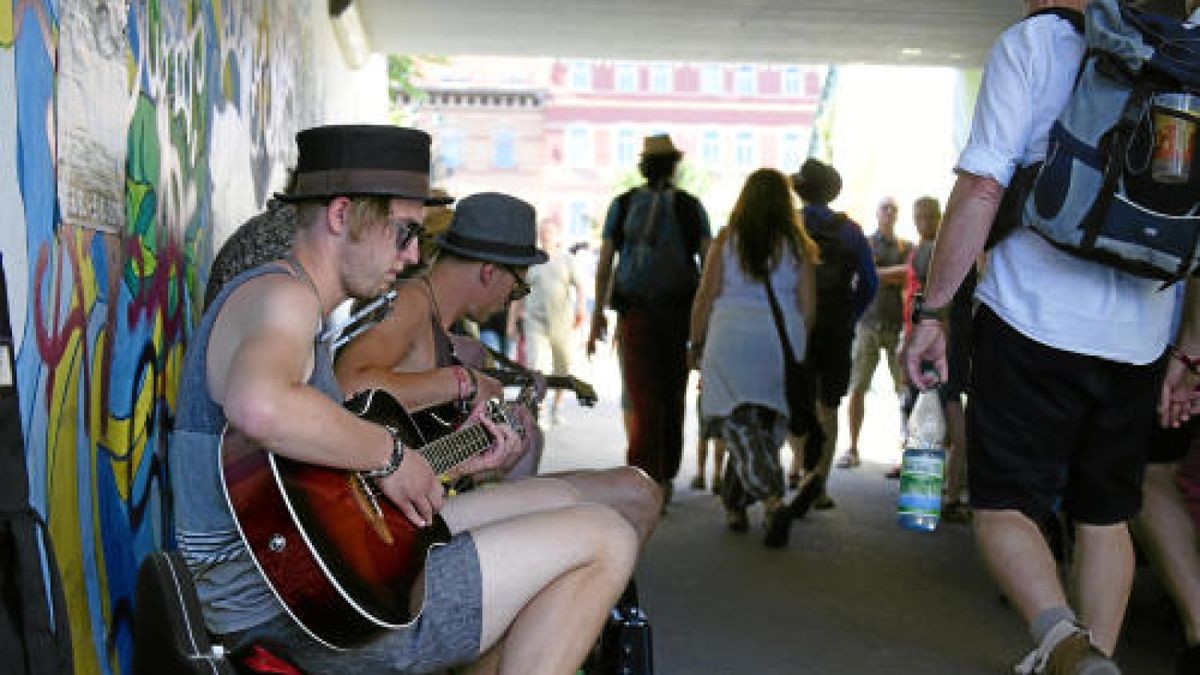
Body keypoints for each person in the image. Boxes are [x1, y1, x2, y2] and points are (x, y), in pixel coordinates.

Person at [171, 126, 639, 675]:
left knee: (567, 504)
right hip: (296, 614)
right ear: (342, 215)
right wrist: (391, 457)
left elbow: (305, 477)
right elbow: (261, 407)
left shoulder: (290, 302)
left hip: (307, 580)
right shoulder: (283, 296)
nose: (415, 255)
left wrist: (447, 461)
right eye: (403, 233)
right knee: (606, 537)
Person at [901, 2, 1200, 672]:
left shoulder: (1035, 43)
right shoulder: (1193, 55)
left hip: (1029, 316)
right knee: (1106, 514)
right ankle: (1095, 660)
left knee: (1004, 503)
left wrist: (932, 314)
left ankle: (1063, 638)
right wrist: (1191, 347)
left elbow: (982, 187)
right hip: (1140, 336)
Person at [334, 192, 662, 546]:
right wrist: (465, 381)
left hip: (424, 503)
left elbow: (422, 450)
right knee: (635, 494)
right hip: (399, 525)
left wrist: (479, 457)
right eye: (519, 285)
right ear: (490, 272)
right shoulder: (410, 304)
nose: (514, 298)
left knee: (636, 489)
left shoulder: (441, 325)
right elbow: (349, 385)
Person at [689, 168, 819, 549]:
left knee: (739, 426)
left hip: (729, 338)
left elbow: (705, 296)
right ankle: (735, 505)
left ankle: (773, 501)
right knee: (761, 428)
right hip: (781, 341)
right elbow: (808, 308)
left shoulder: (727, 240)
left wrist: (695, 342)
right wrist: (797, 346)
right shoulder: (799, 246)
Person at [587, 133, 712, 505]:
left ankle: (644, 474)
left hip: (635, 313)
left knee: (642, 395)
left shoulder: (623, 205)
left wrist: (597, 315)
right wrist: (705, 324)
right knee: (673, 395)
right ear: (674, 167)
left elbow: (605, 264)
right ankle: (666, 474)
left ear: (643, 167)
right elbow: (708, 268)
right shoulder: (691, 207)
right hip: (678, 315)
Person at [787, 158, 877, 514]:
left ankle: (798, 466)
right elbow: (869, 283)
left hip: (796, 326)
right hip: (837, 326)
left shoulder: (790, 224)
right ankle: (818, 482)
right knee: (829, 404)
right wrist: (850, 314)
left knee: (798, 401)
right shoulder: (851, 230)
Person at [839, 196, 910, 472]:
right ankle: (853, 447)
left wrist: (875, 272)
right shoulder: (865, 243)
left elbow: (909, 274)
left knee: (903, 392)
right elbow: (855, 275)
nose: (889, 212)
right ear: (876, 212)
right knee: (857, 387)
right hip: (867, 324)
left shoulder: (906, 246)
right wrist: (886, 274)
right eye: (884, 207)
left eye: (894, 208)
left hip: (896, 326)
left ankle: (904, 452)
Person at [513, 215, 586, 426]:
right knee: (536, 367)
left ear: (557, 235)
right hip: (535, 323)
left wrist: (581, 307)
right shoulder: (531, 261)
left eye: (550, 232)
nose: (546, 236)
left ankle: (557, 407)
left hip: (562, 324)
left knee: (562, 368)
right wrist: (512, 320)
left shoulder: (567, 260)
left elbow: (581, 286)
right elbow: (519, 292)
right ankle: (539, 410)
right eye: (543, 233)